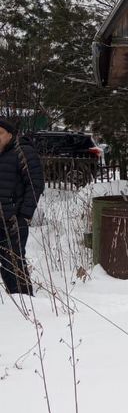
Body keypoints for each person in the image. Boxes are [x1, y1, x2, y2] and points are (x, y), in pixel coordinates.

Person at [0, 119, 45, 295]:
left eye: (0, 134)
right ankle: (15, 298)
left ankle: (25, 298)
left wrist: (24, 215)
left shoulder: (22, 152)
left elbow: (36, 184)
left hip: (13, 219)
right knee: (6, 262)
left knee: (13, 260)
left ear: (10, 134)